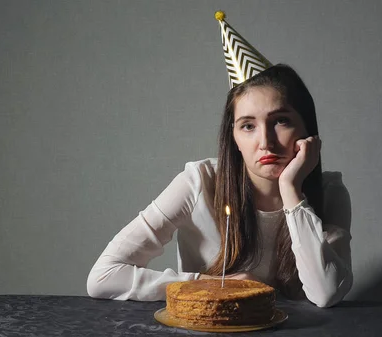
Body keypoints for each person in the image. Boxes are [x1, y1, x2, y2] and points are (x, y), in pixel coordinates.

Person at [86, 12, 352, 308]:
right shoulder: (199, 183)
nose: (265, 142)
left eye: (280, 121)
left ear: (307, 130)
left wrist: (292, 191)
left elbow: (326, 292)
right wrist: (210, 285)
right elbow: (103, 277)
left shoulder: (329, 193)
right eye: (248, 126)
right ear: (234, 138)